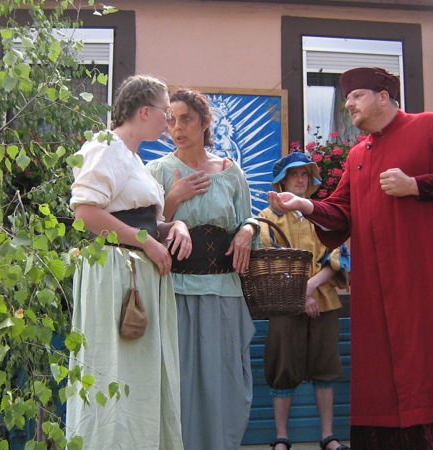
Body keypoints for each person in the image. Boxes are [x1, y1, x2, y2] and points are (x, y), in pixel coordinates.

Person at [268, 67, 433, 449]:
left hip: (430, 277)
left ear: (383, 96)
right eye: (347, 97)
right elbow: (341, 212)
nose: (348, 104)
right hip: (377, 287)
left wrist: (417, 186)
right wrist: (304, 205)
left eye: (356, 95)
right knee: (384, 370)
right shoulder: (358, 154)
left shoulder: (431, 126)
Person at [66, 74, 191, 450]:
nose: (169, 122)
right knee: (113, 369)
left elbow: (143, 220)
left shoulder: (133, 157)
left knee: (139, 375)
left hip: (135, 274)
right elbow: (85, 212)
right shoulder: (106, 147)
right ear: (145, 111)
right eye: (166, 113)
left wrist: (174, 227)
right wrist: (146, 243)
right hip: (114, 273)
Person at [146, 88, 258, 450]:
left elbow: (248, 218)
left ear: (205, 122)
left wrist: (248, 230)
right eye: (171, 120)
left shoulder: (230, 172)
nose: (177, 128)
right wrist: (173, 199)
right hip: (175, 292)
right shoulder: (157, 171)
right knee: (179, 382)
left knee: (225, 379)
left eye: (186, 119)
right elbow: (142, 229)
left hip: (224, 292)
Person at [258, 152, 350, 450]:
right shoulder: (268, 217)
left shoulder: (321, 214)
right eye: (294, 174)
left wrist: (310, 287)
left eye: (305, 174)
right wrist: (300, 294)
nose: (300, 179)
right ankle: (281, 437)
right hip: (284, 305)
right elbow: (268, 260)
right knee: (282, 367)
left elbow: (337, 257)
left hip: (324, 303)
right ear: (282, 180)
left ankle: (328, 436)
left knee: (326, 367)